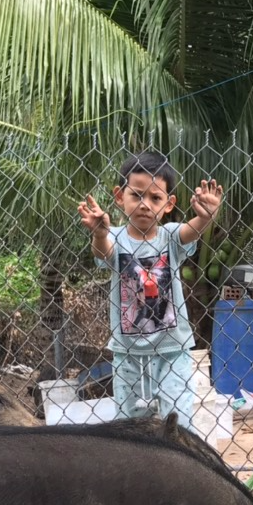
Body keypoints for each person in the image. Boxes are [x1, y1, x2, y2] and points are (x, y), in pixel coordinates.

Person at [78, 151, 223, 429]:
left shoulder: (170, 237)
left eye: (155, 198)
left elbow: (190, 231)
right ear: (120, 196)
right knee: (131, 423)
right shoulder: (115, 238)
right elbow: (104, 253)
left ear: (168, 204)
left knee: (178, 421)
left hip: (172, 350)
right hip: (128, 352)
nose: (145, 204)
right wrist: (98, 233)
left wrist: (206, 218)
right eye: (137, 195)